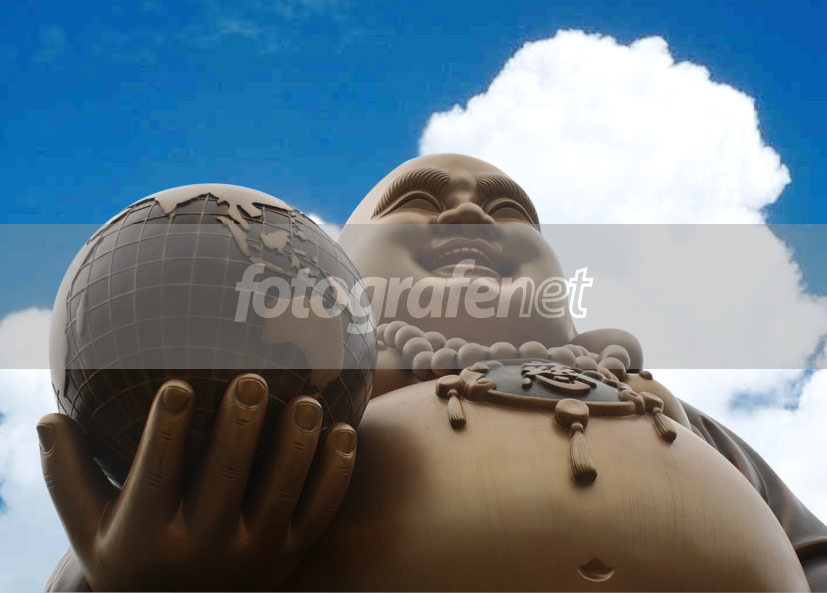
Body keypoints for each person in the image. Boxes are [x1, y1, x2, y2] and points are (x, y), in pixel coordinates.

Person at [40, 154, 827, 591]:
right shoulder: (303, 416)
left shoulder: (664, 412)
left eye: (509, 211)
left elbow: (811, 551)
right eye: (416, 201)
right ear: (333, 273)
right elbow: (126, 532)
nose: (468, 215)